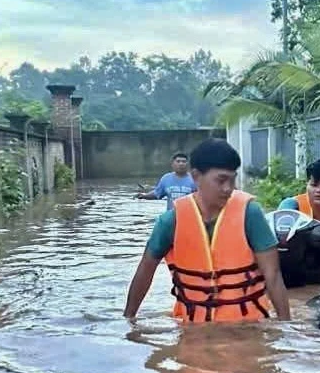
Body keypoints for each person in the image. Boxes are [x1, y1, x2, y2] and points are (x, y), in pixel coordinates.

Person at [123, 138, 291, 322]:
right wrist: (129, 320)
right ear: (196, 176)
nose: (228, 188)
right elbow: (145, 270)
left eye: (232, 180)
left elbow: (273, 274)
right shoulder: (171, 221)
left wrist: (286, 327)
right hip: (193, 327)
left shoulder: (250, 214)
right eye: (221, 180)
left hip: (248, 326)